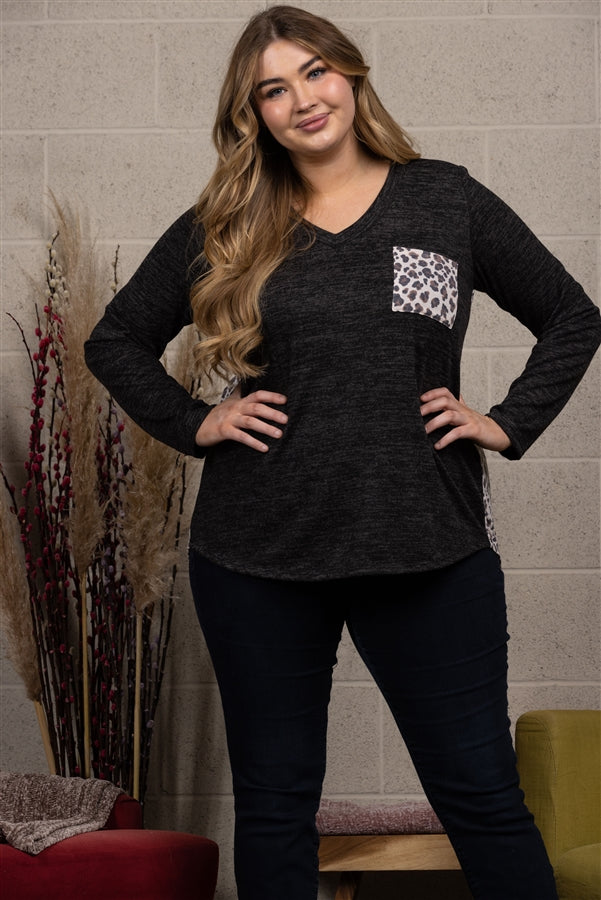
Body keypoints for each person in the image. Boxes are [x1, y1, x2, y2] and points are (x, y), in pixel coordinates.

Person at [85, 6, 601, 899]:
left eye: (315, 72)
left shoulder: (443, 200)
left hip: (428, 545)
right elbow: (116, 340)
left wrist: (508, 421)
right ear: (254, 114)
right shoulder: (227, 221)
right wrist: (195, 421)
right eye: (272, 90)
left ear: (351, 75)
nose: (302, 100)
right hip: (256, 556)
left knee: (481, 797)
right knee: (275, 804)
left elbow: (570, 316)